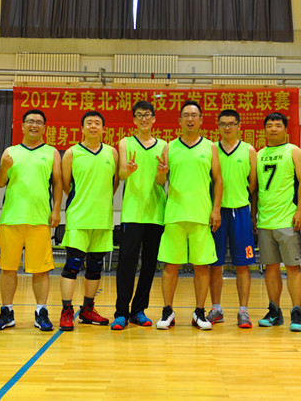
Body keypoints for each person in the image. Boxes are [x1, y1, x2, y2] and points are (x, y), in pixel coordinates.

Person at [0, 109, 63, 332]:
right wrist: (4, 167)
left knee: (41, 270)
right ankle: (7, 312)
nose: (34, 125)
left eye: (39, 122)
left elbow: (58, 183)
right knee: (7, 268)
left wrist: (56, 210)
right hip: (11, 218)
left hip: (40, 220)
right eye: (30, 121)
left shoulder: (52, 153)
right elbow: (0, 182)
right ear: (21, 126)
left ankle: (41, 311)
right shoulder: (10, 151)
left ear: (44, 127)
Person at [155, 100, 223, 331]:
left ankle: (199, 312)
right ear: (180, 120)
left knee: (201, 266)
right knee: (170, 265)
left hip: (201, 214)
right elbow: (160, 181)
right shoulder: (169, 147)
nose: (190, 119)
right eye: (186, 115)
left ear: (201, 120)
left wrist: (216, 209)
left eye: (194, 115)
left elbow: (218, 180)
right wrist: (161, 173)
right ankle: (168, 310)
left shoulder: (210, 147)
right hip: (174, 214)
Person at [59, 111, 119, 331]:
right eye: (89, 123)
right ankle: (66, 310)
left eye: (97, 123)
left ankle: (87, 309)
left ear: (103, 128)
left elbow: (114, 184)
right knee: (72, 265)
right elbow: (66, 184)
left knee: (95, 267)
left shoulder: (112, 153)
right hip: (79, 217)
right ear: (82, 128)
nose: (93, 126)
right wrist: (82, 201)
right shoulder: (71, 153)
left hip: (102, 219)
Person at [111, 101, 167, 330]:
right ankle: (121, 312)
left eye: (147, 115)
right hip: (132, 213)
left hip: (156, 213)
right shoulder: (125, 142)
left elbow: (161, 182)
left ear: (154, 118)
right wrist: (129, 169)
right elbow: (122, 174)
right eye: (139, 115)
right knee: (126, 263)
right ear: (134, 120)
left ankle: (139, 310)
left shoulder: (164, 145)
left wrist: (162, 173)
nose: (144, 119)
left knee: (149, 265)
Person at [254, 112, 301, 332]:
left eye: (278, 125)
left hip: (287, 219)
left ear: (285, 129)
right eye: (269, 125)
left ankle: (297, 312)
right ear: (264, 130)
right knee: (270, 268)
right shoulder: (259, 154)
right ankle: (274, 311)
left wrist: (300, 210)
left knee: (293, 267)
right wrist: (254, 215)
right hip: (265, 221)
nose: (273, 129)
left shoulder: (293, 151)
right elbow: (256, 188)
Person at [208, 109, 257, 328]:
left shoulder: (249, 150)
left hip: (241, 212)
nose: (227, 127)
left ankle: (243, 311)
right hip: (217, 213)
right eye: (223, 124)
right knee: (215, 264)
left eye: (231, 123)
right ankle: (216, 309)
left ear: (239, 125)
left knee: (243, 265)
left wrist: (247, 207)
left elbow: (253, 184)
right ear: (218, 126)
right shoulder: (211, 149)